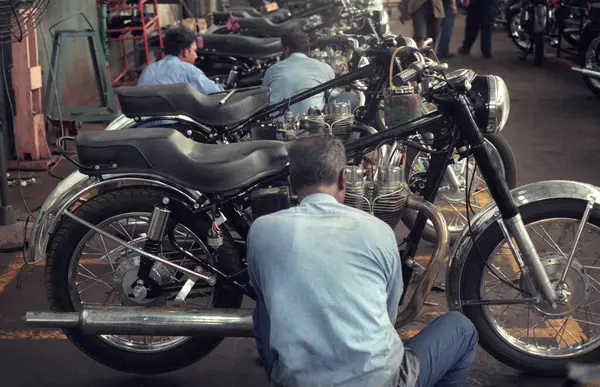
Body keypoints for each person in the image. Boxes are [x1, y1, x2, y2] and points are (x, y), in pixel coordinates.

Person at [247, 134, 479, 387]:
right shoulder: (379, 231)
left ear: (291, 185)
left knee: (264, 308)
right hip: (380, 381)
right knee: (462, 328)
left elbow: (264, 294)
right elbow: (389, 314)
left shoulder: (261, 230)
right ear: (343, 178)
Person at [261, 30, 336, 121]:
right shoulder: (325, 68)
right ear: (308, 50)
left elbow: (262, 101)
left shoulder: (272, 70)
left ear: (287, 49)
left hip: (278, 132)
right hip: (313, 130)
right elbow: (335, 98)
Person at [137, 26, 223, 94]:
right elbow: (216, 93)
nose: (196, 56)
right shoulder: (188, 71)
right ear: (185, 52)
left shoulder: (148, 70)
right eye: (194, 51)